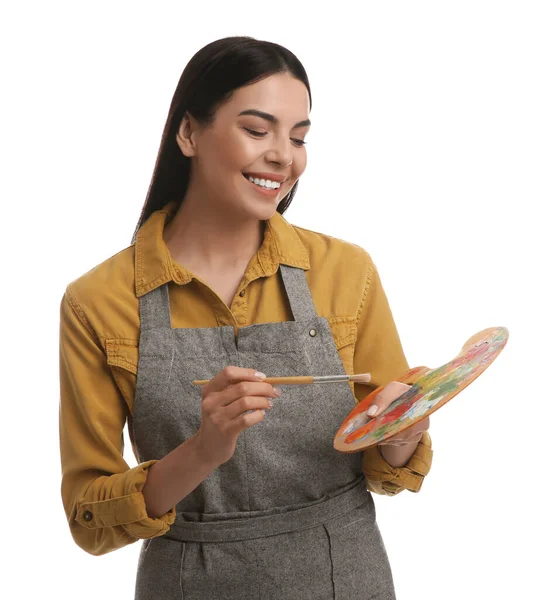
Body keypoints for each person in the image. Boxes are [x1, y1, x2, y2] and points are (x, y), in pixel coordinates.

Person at [59, 36, 433, 600]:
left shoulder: (345, 271)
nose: (285, 155)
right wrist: (204, 449)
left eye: (299, 136)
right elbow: (90, 514)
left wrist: (405, 431)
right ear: (189, 133)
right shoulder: (98, 300)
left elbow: (386, 464)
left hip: (343, 576)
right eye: (258, 131)